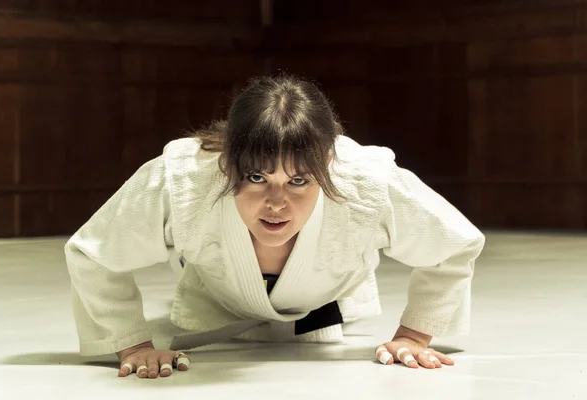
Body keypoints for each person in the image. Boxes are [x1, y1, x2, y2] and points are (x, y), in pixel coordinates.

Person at [65, 74, 485, 379]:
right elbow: (92, 251)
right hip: (214, 301)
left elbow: (455, 243)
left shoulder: (366, 179)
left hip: (328, 302)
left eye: (299, 181)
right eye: (256, 178)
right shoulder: (182, 176)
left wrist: (415, 335)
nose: (276, 203)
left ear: (326, 166)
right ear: (228, 164)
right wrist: (134, 344)